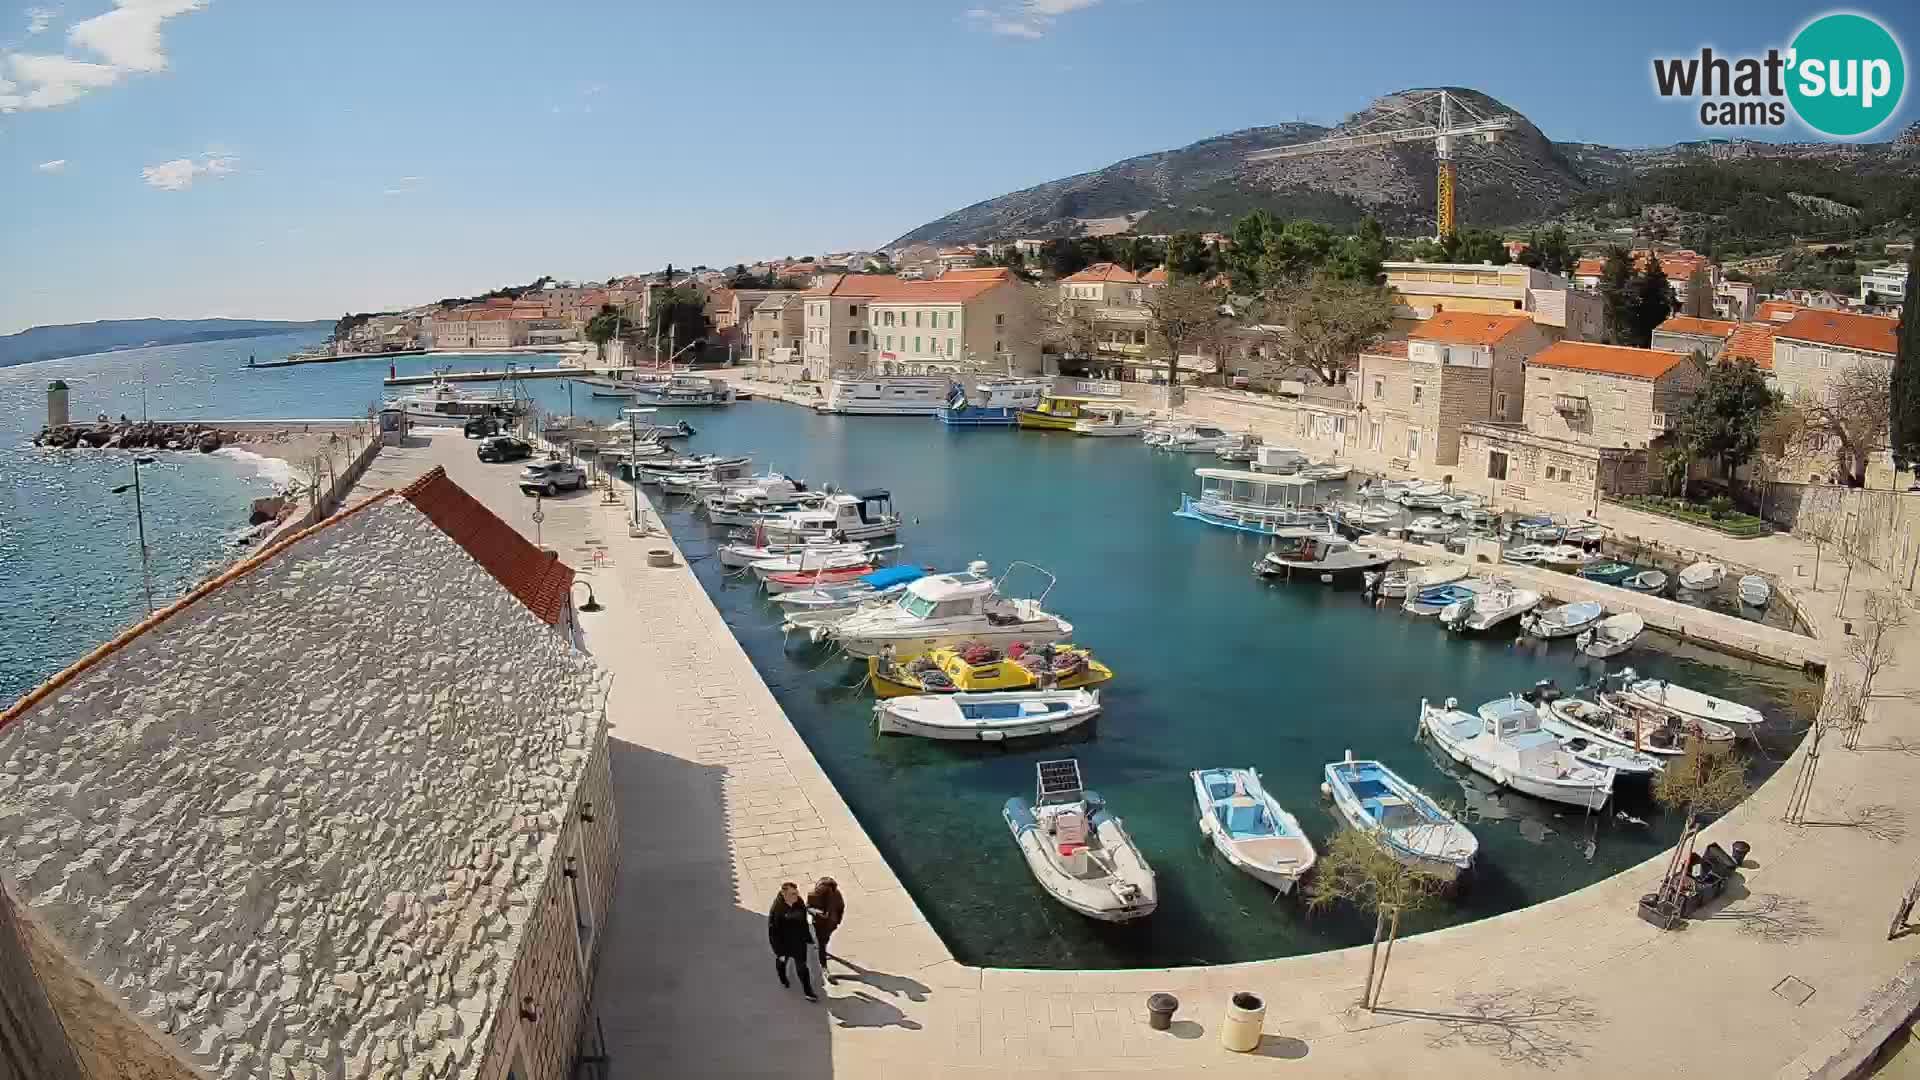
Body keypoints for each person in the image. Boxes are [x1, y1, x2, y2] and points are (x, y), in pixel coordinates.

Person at [768, 882, 816, 1001]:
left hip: (799, 943)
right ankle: (783, 978)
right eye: (793, 894)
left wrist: (807, 937)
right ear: (784, 894)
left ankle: (808, 991)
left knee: (802, 968)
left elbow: (804, 922)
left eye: (797, 892)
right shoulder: (777, 910)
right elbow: (773, 933)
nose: (797, 895)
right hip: (784, 945)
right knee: (782, 963)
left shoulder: (799, 902)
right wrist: (779, 952)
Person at [806, 877, 845, 980]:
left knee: (826, 940)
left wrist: (838, 921)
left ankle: (822, 948)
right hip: (820, 925)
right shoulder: (813, 895)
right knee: (822, 944)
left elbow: (841, 907)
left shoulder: (836, 895)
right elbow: (808, 907)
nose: (831, 893)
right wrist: (817, 913)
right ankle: (824, 967)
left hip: (831, 924)